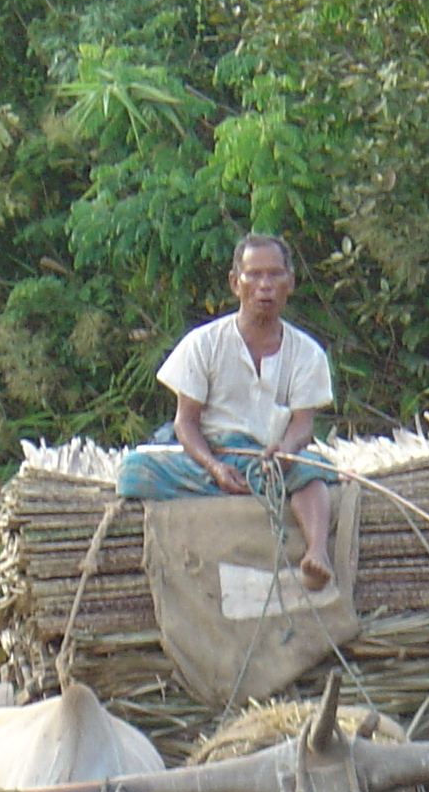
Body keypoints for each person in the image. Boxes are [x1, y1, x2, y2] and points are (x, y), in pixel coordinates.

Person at [115, 232, 340, 590]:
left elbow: (302, 425)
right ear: (236, 283)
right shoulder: (203, 343)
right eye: (255, 275)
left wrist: (287, 449)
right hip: (213, 458)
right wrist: (214, 466)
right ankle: (223, 486)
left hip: (269, 464)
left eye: (274, 275)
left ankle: (316, 552)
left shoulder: (307, 353)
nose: (264, 285)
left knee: (315, 473)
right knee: (134, 471)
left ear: (290, 282)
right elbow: (185, 424)